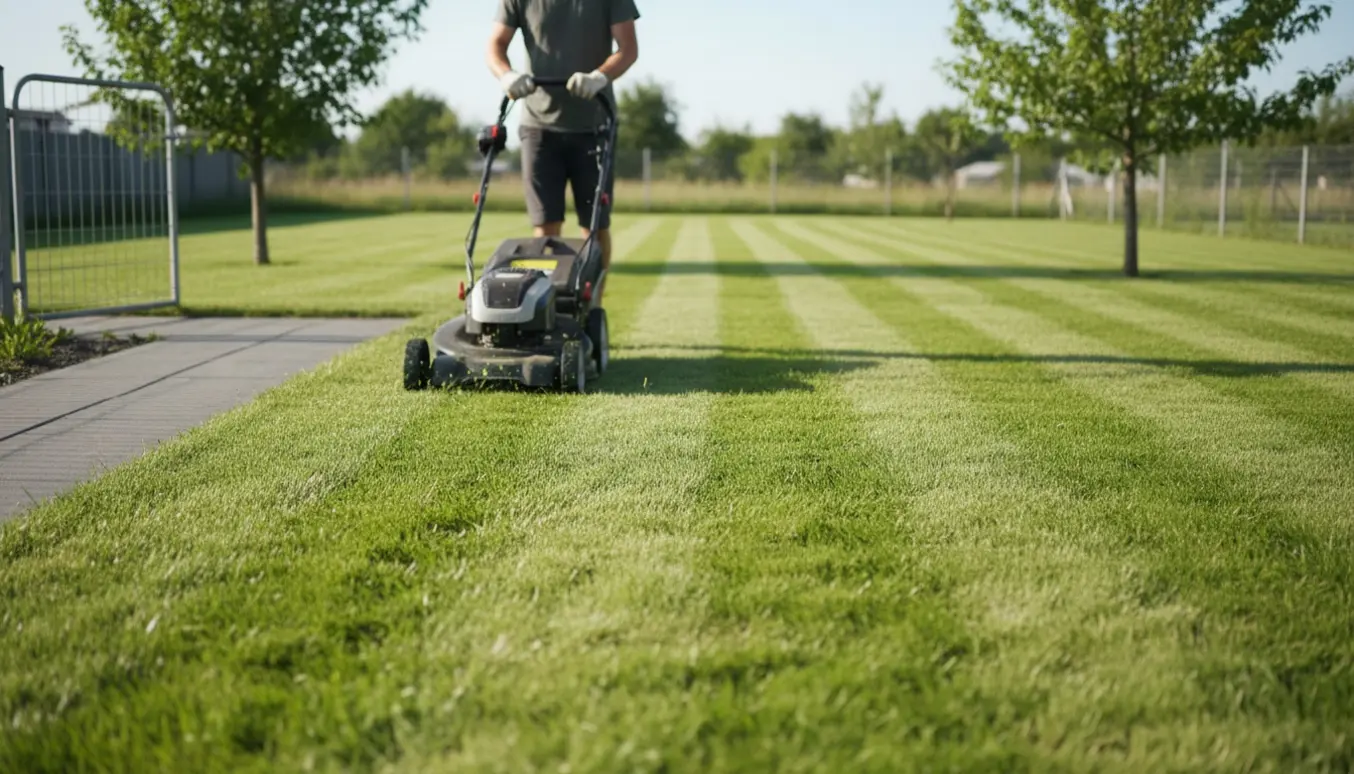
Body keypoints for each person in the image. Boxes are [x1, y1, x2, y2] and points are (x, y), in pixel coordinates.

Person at [487, 0, 640, 308]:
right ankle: (548, 305)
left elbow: (628, 49)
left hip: (594, 123)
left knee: (594, 227)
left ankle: (592, 304)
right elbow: (496, 44)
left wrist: (599, 77)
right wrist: (506, 75)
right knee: (545, 227)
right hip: (538, 127)